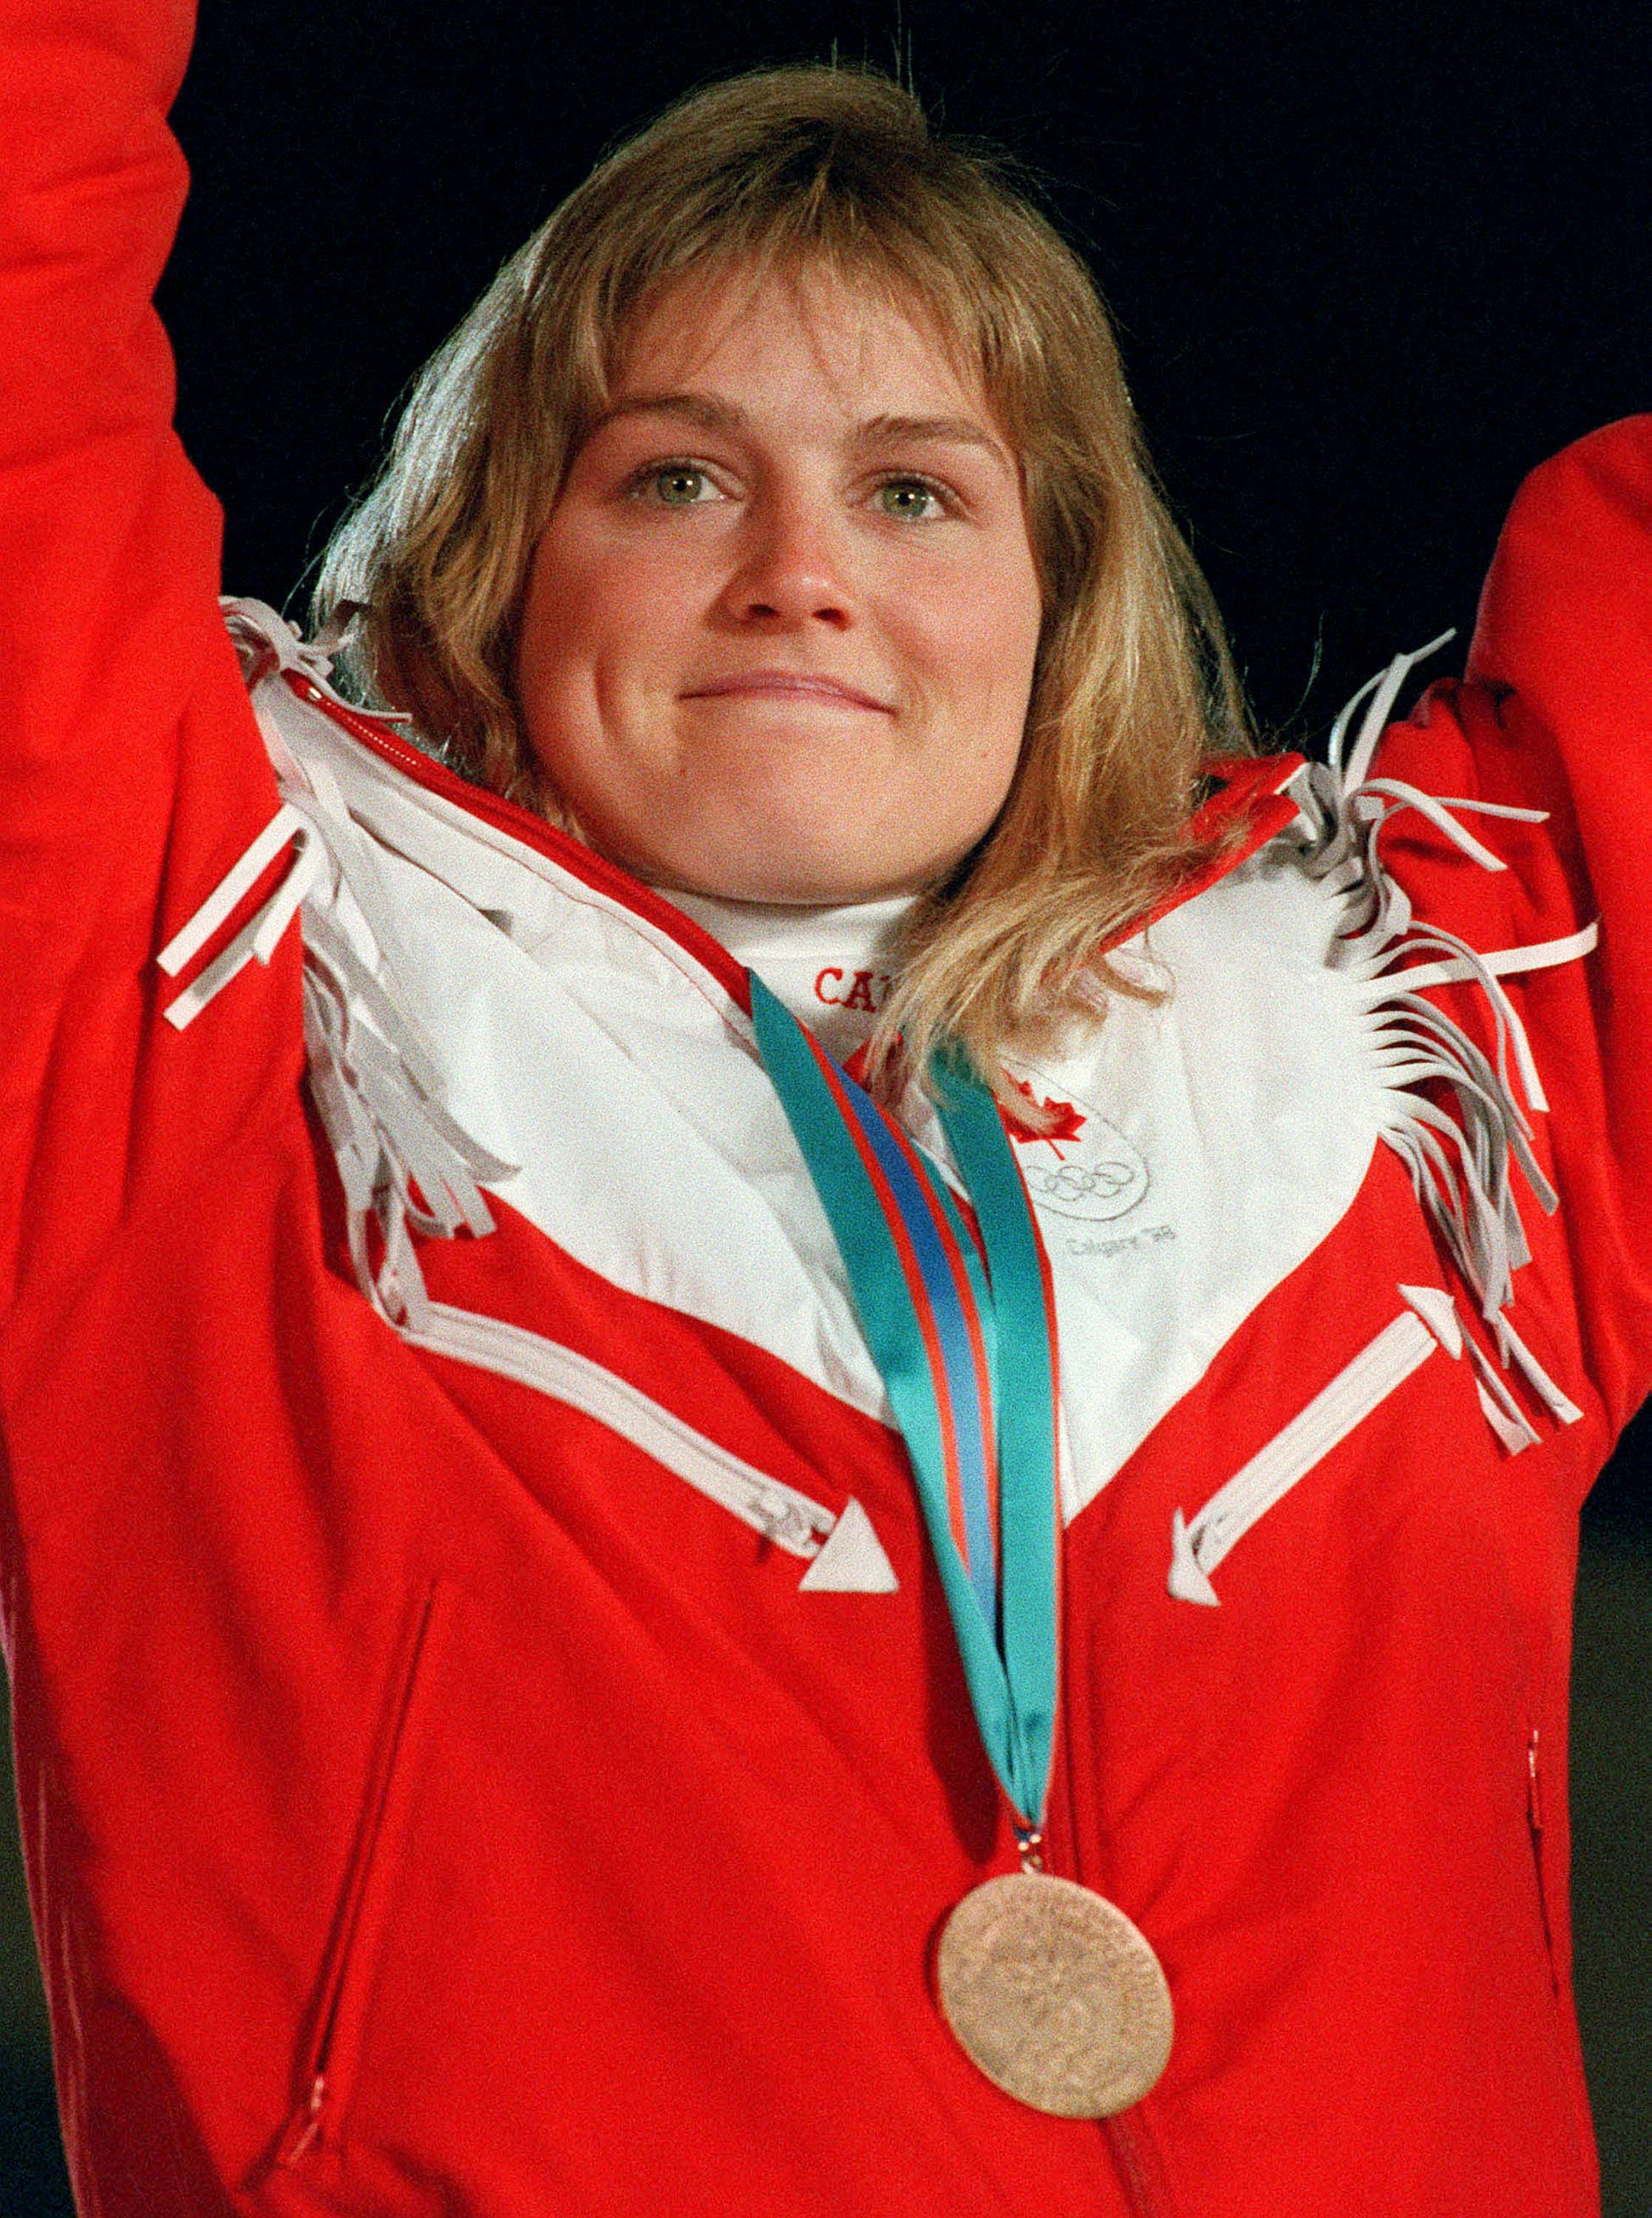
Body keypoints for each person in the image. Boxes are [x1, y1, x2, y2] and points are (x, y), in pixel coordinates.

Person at [1, 2, 1648, 2212]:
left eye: (913, 487)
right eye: (671, 475)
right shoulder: (209, 1006)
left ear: (1059, 596)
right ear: (498, 553)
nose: (801, 565)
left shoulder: (1433, 1064)